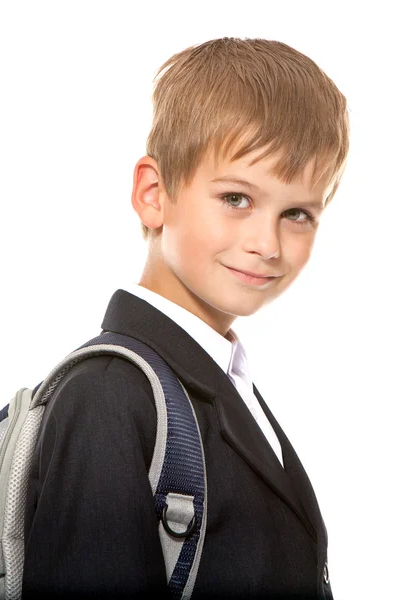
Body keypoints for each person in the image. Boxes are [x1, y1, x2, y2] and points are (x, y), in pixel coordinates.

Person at [22, 37, 350, 599]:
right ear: (154, 194)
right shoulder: (109, 395)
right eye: (236, 199)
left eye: (297, 213)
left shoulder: (222, 379)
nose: (267, 244)